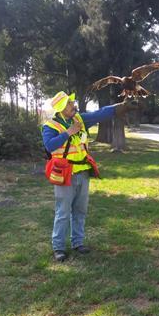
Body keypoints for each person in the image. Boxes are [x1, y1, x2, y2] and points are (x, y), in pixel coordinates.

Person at [42, 91, 137, 262]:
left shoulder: (80, 119)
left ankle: (78, 243)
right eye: (70, 104)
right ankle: (59, 248)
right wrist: (68, 133)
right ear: (62, 108)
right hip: (65, 175)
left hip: (83, 172)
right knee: (62, 212)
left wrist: (118, 107)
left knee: (80, 211)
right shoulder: (50, 126)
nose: (73, 105)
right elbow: (49, 146)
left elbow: (98, 114)